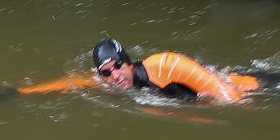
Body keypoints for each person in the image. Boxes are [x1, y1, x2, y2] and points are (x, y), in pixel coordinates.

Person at [92, 38, 250, 104]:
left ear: (128, 62)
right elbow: (86, 80)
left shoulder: (162, 66)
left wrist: (243, 108)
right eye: (106, 73)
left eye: (118, 65)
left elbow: (223, 91)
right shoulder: (114, 81)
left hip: (250, 89)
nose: (115, 76)